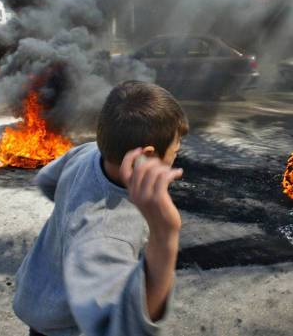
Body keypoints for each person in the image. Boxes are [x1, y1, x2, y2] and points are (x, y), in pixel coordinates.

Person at [13, 81, 189, 336]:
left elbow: (47, 180)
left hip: (36, 294)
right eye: (176, 149)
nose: (176, 154)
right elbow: (127, 327)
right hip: (62, 326)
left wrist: (72, 216)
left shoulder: (90, 152)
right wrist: (166, 234)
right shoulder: (105, 232)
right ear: (147, 156)